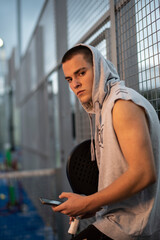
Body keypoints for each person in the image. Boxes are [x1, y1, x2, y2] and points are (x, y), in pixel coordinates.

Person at [52, 44, 160, 240]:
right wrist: (94, 207)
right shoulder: (106, 107)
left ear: (99, 68)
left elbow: (144, 173)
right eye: (69, 79)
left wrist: (88, 203)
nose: (75, 84)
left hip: (131, 227)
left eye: (81, 73)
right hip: (116, 220)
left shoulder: (122, 105)